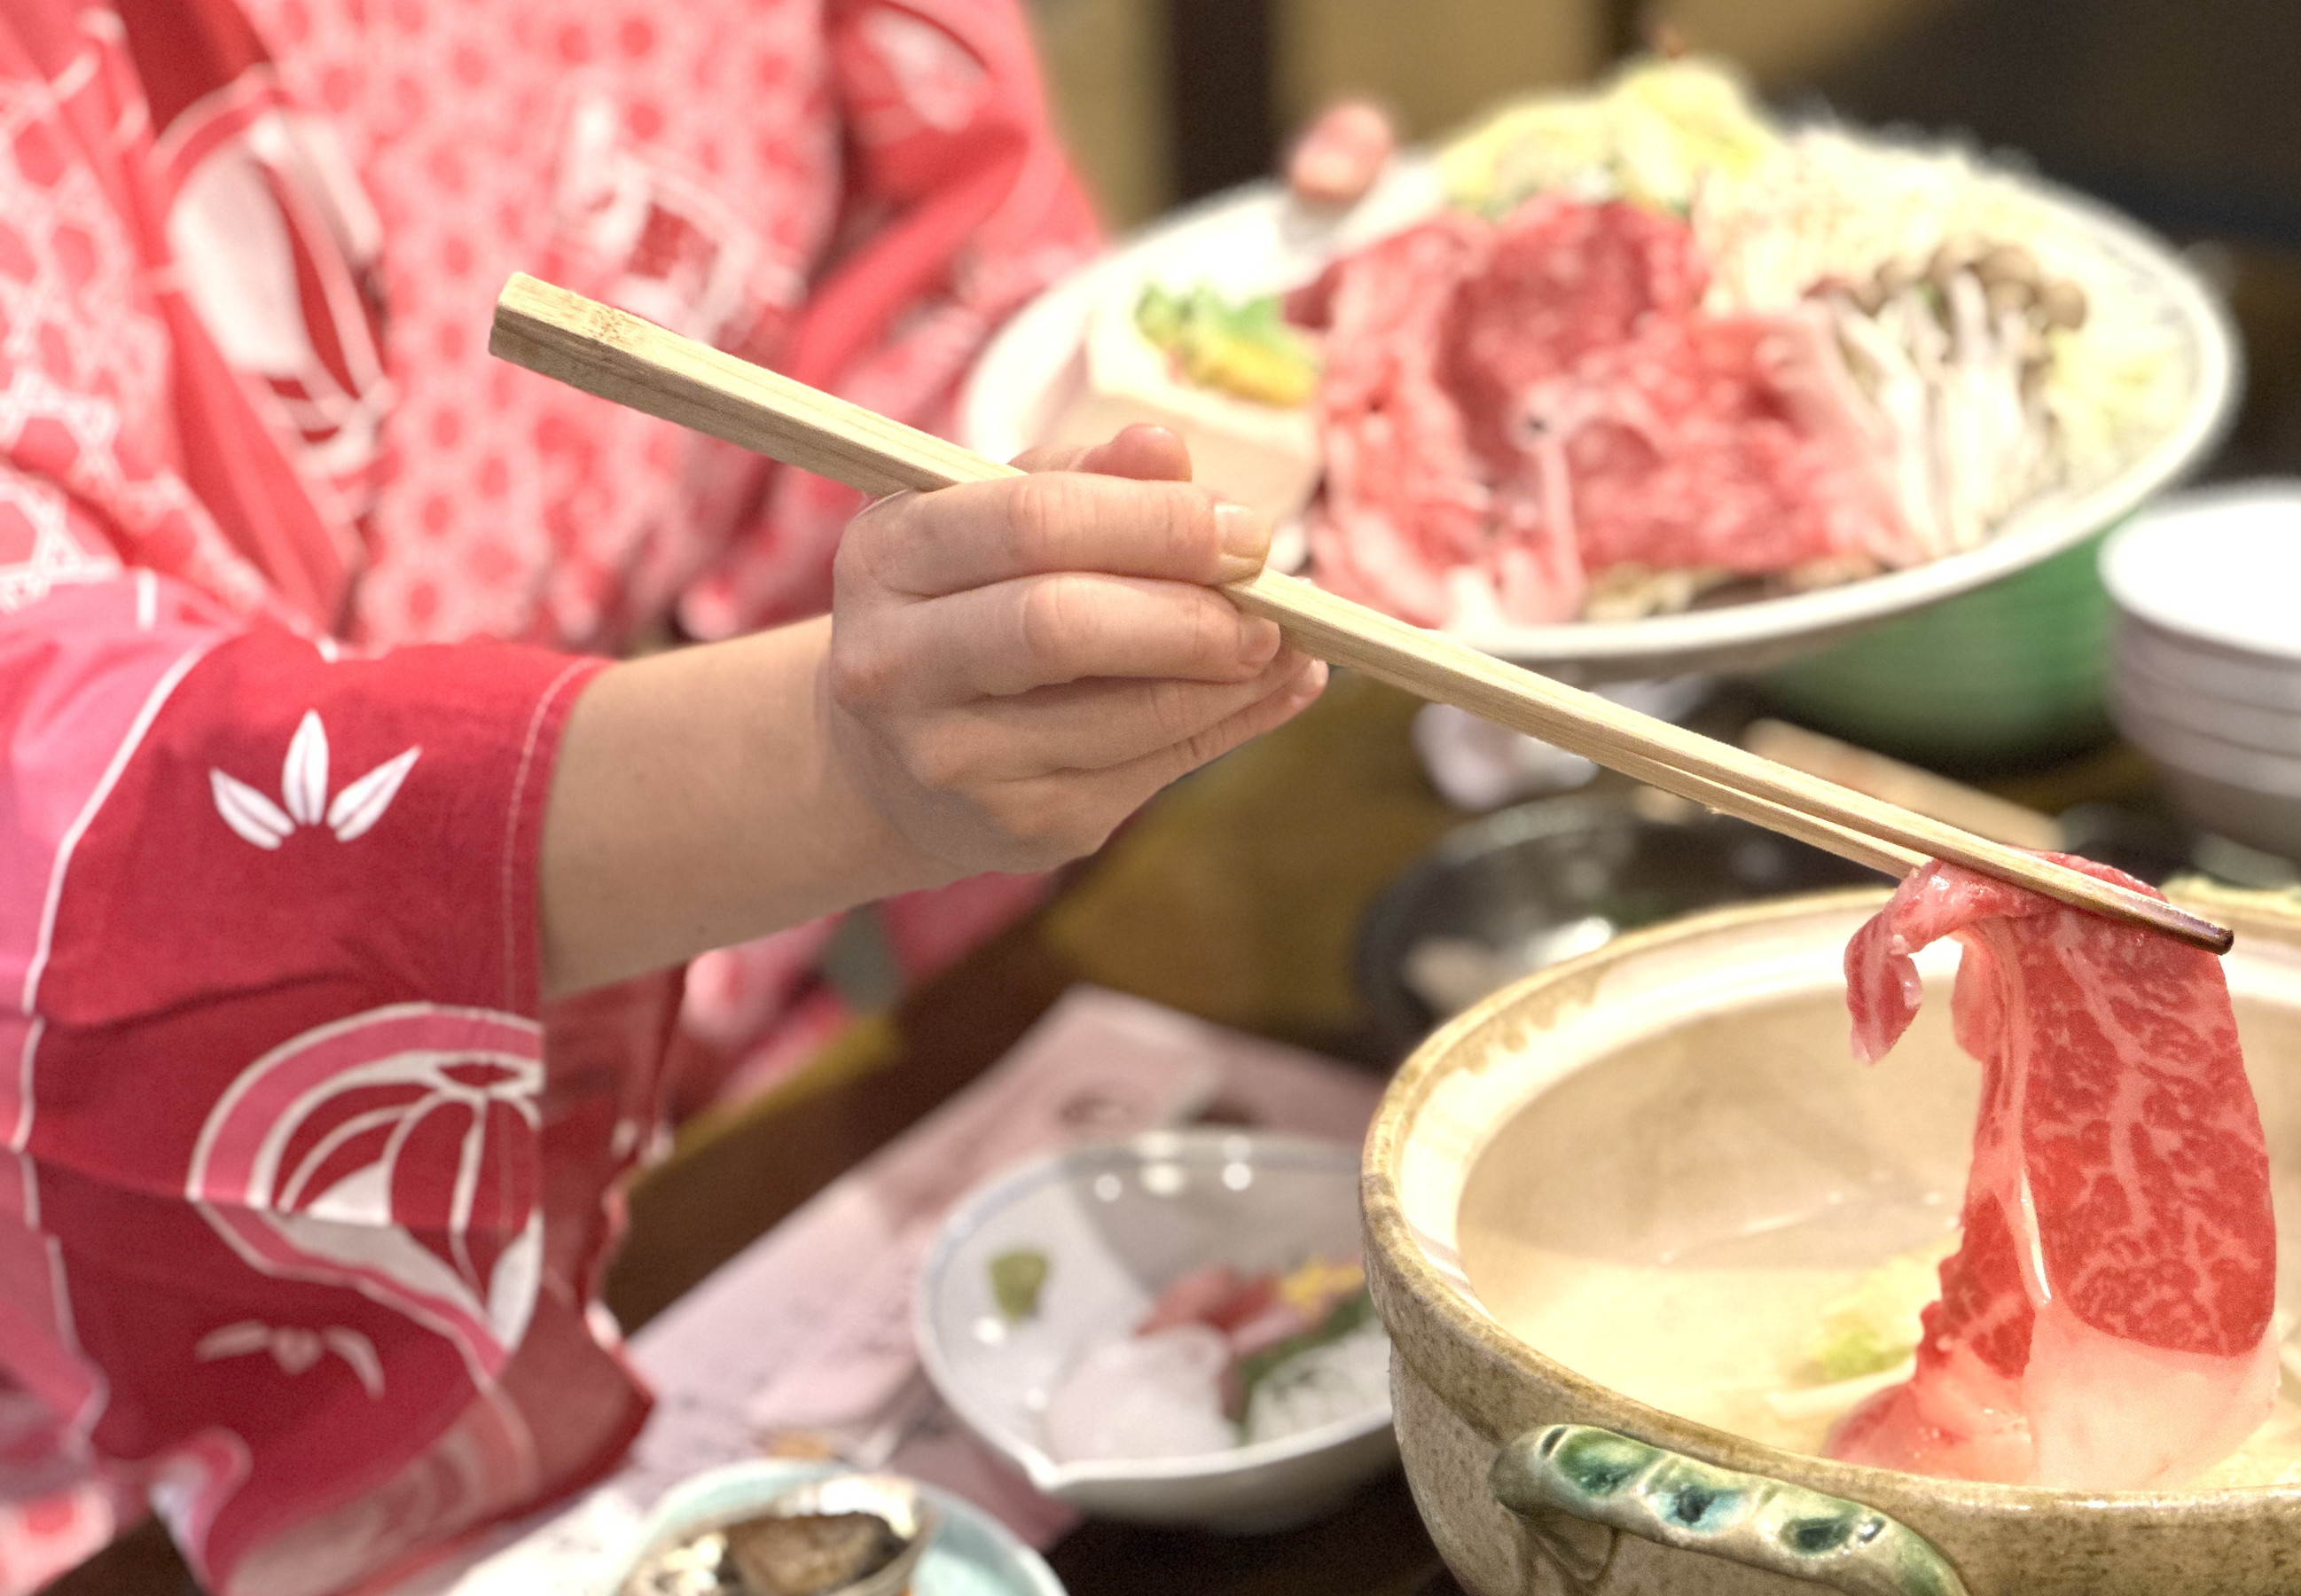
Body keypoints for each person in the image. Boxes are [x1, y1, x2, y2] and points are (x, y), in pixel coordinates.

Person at [0, 1, 1392, 1589]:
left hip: (704, 1125)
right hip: (116, 1375)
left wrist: (1243, 395)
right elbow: (52, 801)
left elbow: (939, 330)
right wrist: (834, 763)